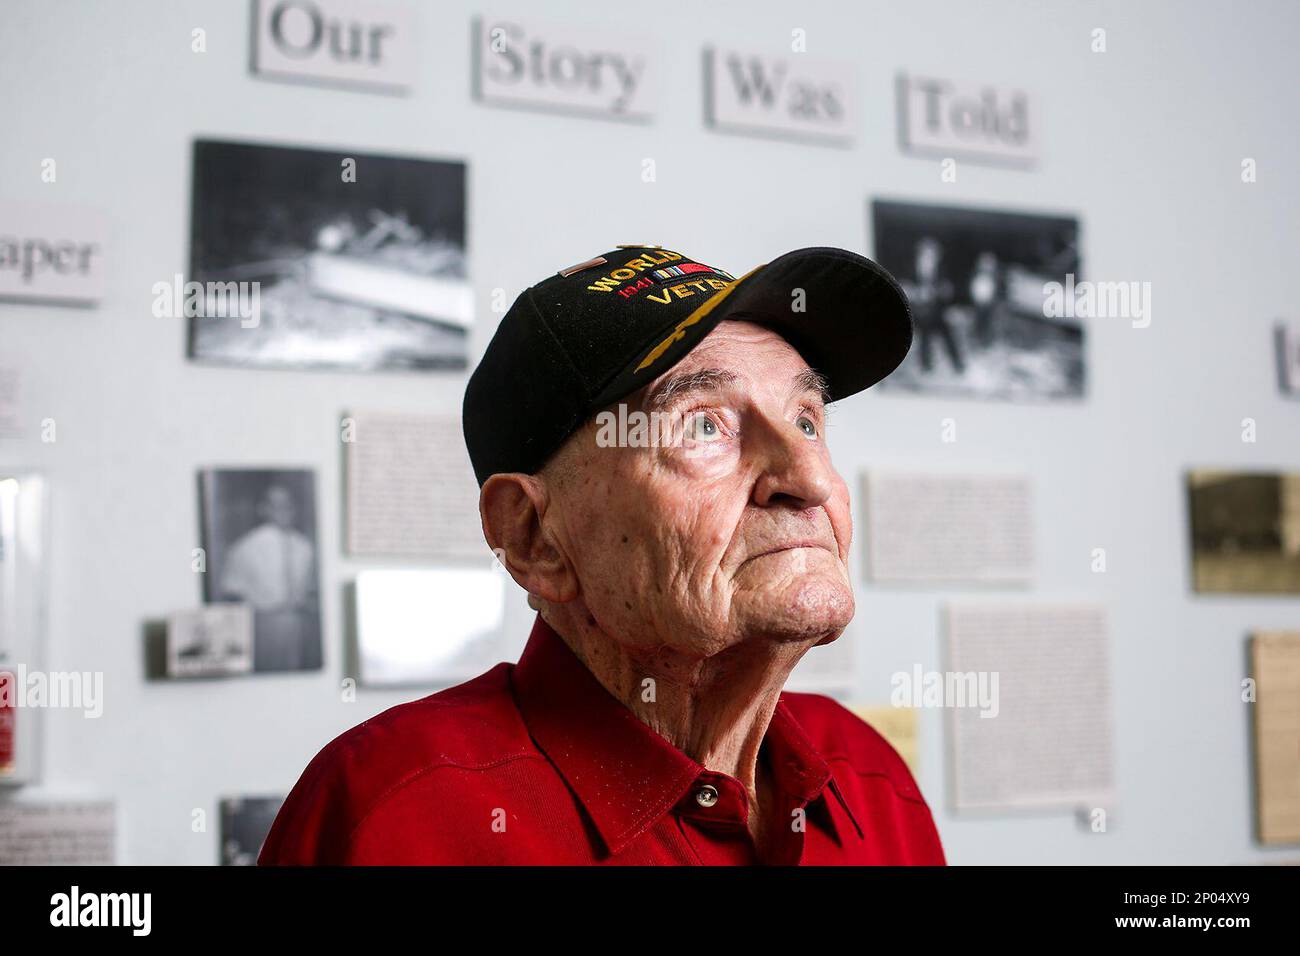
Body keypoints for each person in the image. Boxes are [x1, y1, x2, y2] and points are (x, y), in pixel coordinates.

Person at [260, 244, 945, 865]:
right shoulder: (392, 817)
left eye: (806, 421)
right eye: (703, 426)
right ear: (534, 538)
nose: (811, 480)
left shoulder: (870, 777)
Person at [219, 483, 317, 671]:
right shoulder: (245, 547)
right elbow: (232, 591)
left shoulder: (304, 547)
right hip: (263, 623)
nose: (283, 510)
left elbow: (310, 588)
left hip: (299, 622)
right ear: (263, 509)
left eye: (288, 505)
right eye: (276, 505)